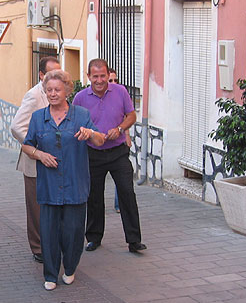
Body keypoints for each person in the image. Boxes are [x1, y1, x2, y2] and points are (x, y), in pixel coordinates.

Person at [22, 70, 105, 290]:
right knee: (48, 233)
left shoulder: (81, 115)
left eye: (57, 90)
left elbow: (100, 139)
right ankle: (50, 274)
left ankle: (69, 267)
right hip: (48, 185)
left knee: (73, 232)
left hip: (75, 183)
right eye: (49, 90)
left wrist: (90, 133)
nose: (52, 94)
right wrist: (40, 155)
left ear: (67, 91)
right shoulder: (39, 117)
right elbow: (27, 144)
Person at [73, 58, 147, 253]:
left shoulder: (120, 91)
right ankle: (94, 237)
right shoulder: (80, 98)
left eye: (103, 76)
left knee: (127, 193)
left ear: (108, 75)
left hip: (118, 152)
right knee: (94, 197)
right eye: (95, 76)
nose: (99, 80)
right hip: (92, 153)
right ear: (88, 76)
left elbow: (131, 115)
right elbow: (73, 122)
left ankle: (134, 240)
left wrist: (120, 128)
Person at [11, 56, 61, 263]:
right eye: (51, 74)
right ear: (41, 75)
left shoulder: (59, 92)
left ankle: (53, 244)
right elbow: (16, 127)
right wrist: (36, 146)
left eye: (59, 72)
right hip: (34, 161)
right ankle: (38, 248)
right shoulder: (34, 95)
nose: (55, 77)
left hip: (54, 161)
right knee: (36, 208)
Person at [107, 68, 132, 213]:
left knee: (122, 179)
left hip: (118, 145)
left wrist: (126, 135)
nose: (114, 83)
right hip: (98, 147)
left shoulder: (121, 93)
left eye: (116, 80)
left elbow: (127, 117)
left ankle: (119, 204)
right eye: (111, 80)